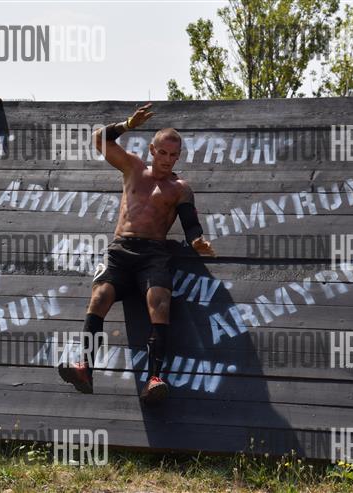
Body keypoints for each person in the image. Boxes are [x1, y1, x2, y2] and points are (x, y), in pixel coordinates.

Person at [58, 103, 216, 404]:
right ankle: (85, 369)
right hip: (121, 249)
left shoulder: (180, 188)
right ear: (152, 150)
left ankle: (154, 379)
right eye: (162, 152)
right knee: (99, 298)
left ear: (178, 157)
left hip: (153, 254)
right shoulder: (133, 168)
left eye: (173, 155)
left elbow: (190, 224)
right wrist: (127, 124)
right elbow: (99, 138)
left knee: (160, 303)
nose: (167, 159)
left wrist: (197, 241)